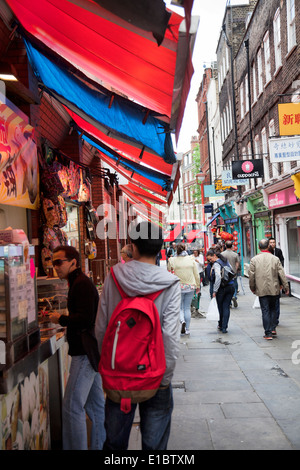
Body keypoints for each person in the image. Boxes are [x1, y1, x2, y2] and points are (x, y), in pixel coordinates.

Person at [95, 222, 181, 450]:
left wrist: (107, 366)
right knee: (154, 447)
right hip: (156, 373)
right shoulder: (170, 283)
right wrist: (165, 378)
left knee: (114, 444)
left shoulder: (113, 277)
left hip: (118, 376)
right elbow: (170, 337)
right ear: (161, 248)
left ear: (132, 247)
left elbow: (101, 328)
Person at [48, 245, 106, 450]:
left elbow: (84, 319)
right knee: (96, 406)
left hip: (85, 352)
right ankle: (100, 446)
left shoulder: (81, 284)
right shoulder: (79, 282)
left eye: (59, 262)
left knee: (72, 407)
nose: (55, 267)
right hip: (90, 351)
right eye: (52, 262)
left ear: (73, 262)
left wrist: (60, 318)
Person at [249, 239, 289, 340]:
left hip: (261, 289)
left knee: (265, 310)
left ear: (259, 247)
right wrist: (286, 287)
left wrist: (252, 288)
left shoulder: (254, 260)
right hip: (274, 288)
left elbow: (251, 276)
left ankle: (268, 333)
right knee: (273, 309)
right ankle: (273, 328)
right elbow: (281, 274)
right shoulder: (275, 259)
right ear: (268, 247)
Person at [168, 243, 200, 335]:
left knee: (179, 307)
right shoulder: (191, 259)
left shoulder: (172, 260)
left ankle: (182, 321)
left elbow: (169, 273)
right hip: (190, 286)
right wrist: (197, 286)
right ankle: (187, 329)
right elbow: (196, 274)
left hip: (178, 286)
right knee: (187, 307)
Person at [206, 248, 235, 333]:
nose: (210, 261)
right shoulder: (226, 261)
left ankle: (221, 325)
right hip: (231, 286)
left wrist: (215, 290)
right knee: (226, 307)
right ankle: (225, 327)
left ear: (214, 256)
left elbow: (218, 277)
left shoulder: (216, 264)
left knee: (221, 307)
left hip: (222, 288)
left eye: (210, 259)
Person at [222, 240, 240, 307]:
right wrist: (235, 270)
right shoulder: (235, 254)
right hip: (233, 273)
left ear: (225, 246)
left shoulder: (222, 254)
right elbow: (237, 263)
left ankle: (229, 302)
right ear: (232, 246)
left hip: (225, 273)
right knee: (234, 286)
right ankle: (234, 296)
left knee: (227, 287)